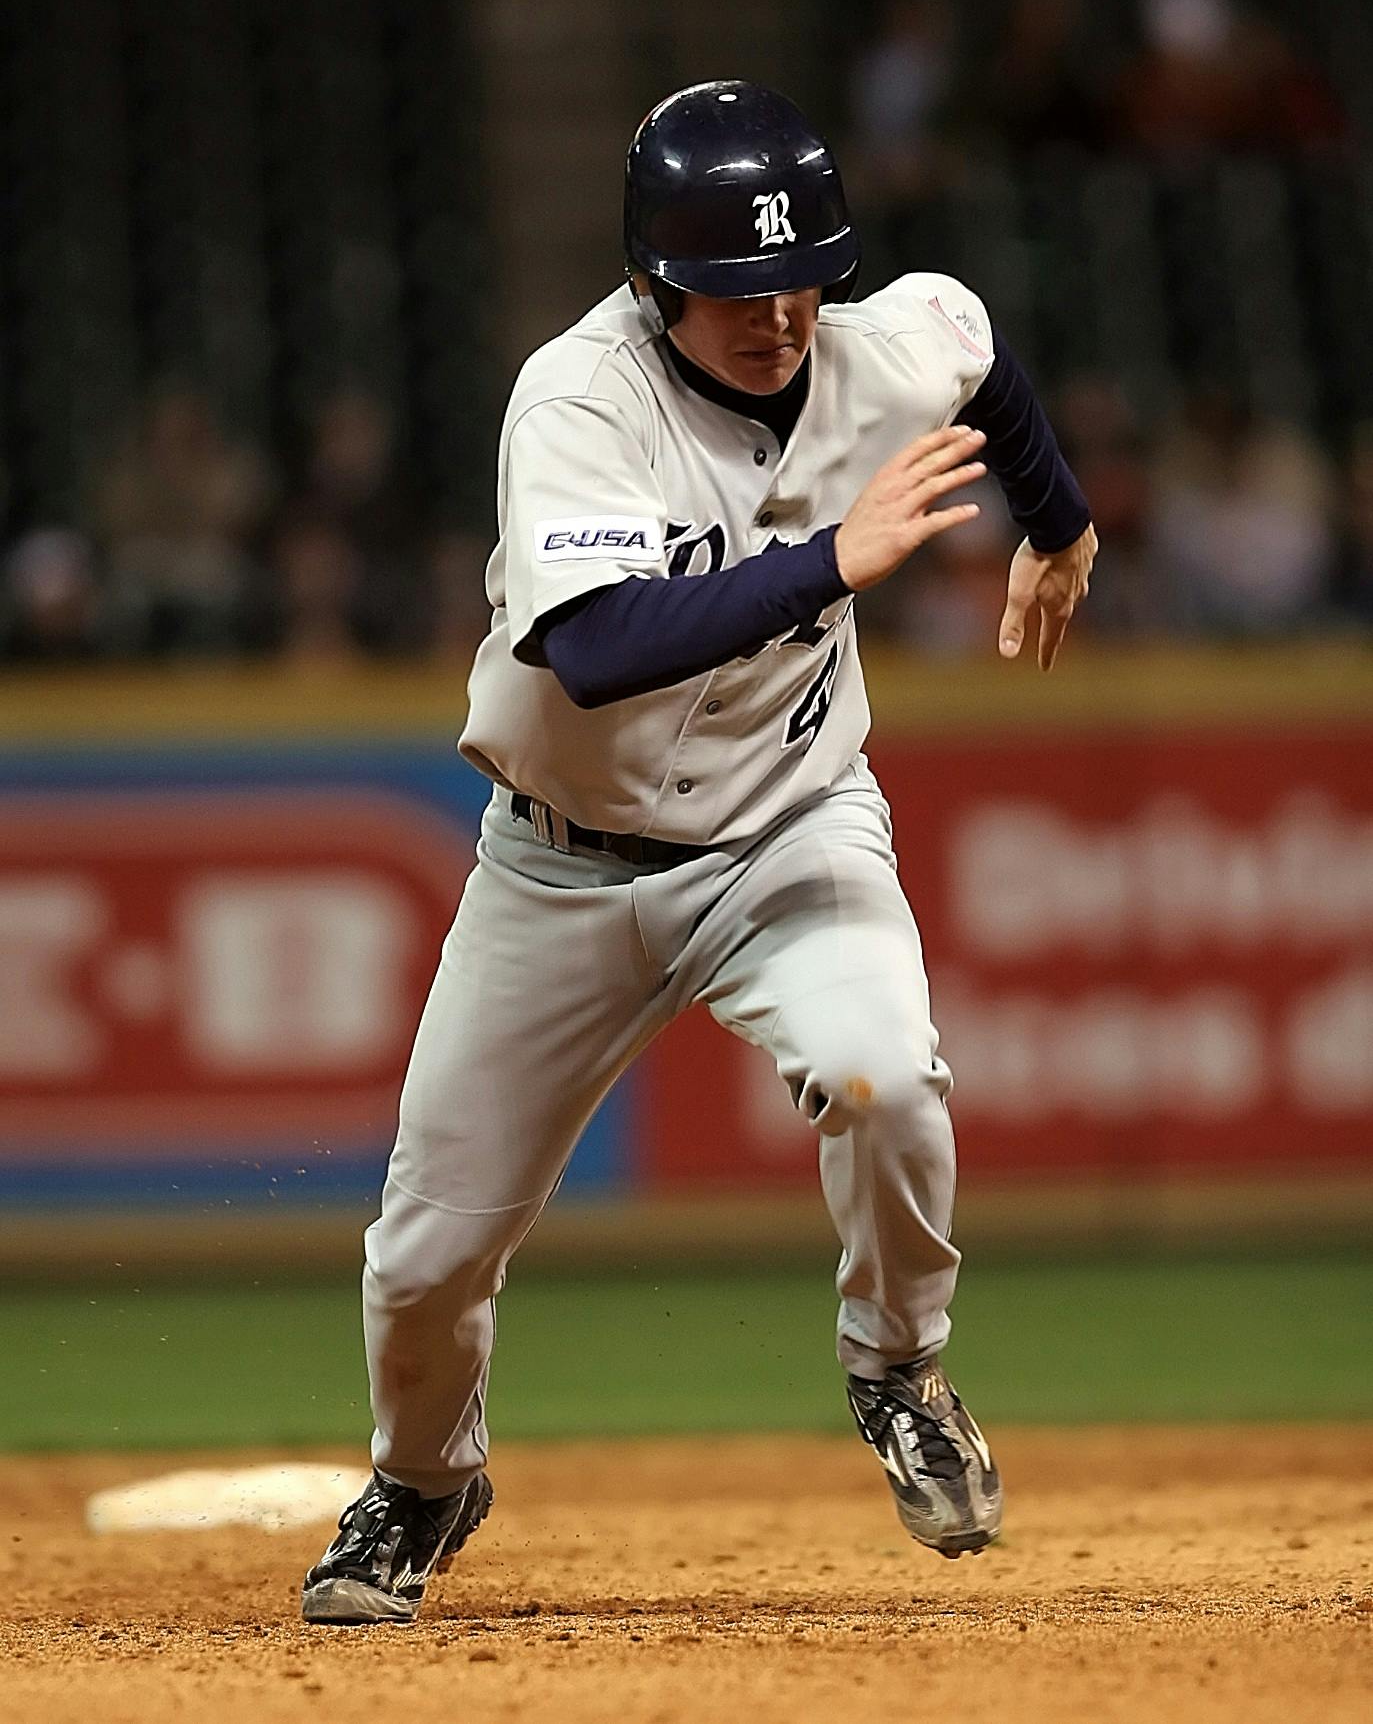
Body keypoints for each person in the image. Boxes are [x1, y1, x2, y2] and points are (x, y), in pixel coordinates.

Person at [301, 81, 1098, 1624]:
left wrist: (1056, 524)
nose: (780, 313)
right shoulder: (578, 400)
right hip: (557, 867)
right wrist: (828, 559)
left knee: (883, 1072)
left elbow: (980, 351)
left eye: (802, 278)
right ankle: (421, 1482)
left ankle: (897, 1366)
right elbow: (595, 646)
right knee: (421, 1260)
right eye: (738, 287)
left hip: (789, 828)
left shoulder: (877, 344)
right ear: (654, 277)